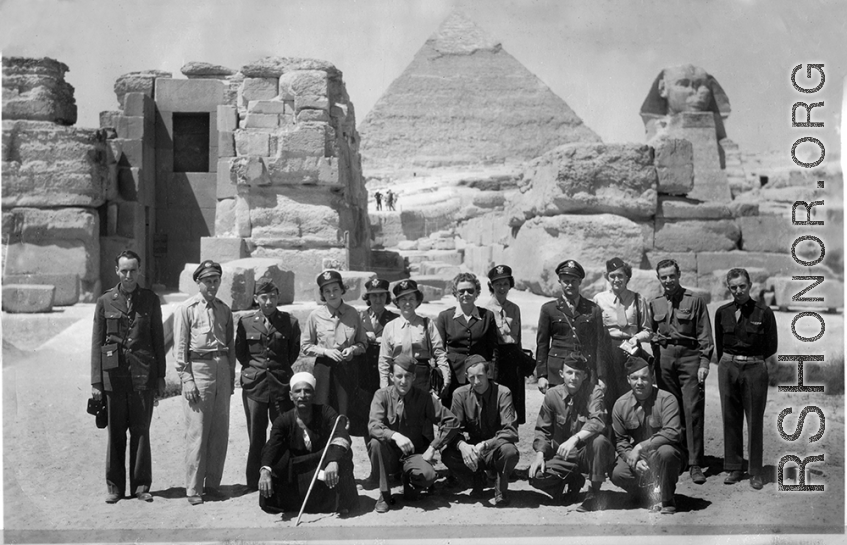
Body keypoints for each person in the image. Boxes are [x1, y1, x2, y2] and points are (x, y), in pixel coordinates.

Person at [91, 250, 166, 503]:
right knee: (115, 433)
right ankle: (115, 488)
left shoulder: (150, 300)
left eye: (133, 270)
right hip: (114, 377)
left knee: (141, 431)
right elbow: (97, 343)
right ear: (117, 271)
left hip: (143, 375)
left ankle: (141, 486)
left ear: (139, 271)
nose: (128, 275)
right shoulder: (105, 301)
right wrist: (96, 382)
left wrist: (160, 376)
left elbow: (158, 340)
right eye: (124, 270)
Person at [174, 260, 236, 505]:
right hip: (199, 369)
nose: (212, 285)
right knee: (197, 431)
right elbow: (180, 349)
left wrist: (230, 377)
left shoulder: (224, 309)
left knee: (220, 431)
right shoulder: (187, 309)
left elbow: (230, 345)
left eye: (216, 280)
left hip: (221, 369)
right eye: (207, 281)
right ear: (198, 282)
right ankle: (193, 488)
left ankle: (212, 485)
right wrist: (187, 379)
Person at [648, 259, 714, 485]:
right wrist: (657, 358)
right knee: (670, 408)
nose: (668, 280)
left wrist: (704, 363)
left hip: (689, 357)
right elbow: (651, 332)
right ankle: (678, 457)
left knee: (692, 408)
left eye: (671, 276)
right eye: (663, 277)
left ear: (678, 275)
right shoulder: (655, 303)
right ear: (659, 279)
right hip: (665, 359)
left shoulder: (695, 300)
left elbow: (704, 334)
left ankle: (695, 463)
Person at [368, 355, 460, 513]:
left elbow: (452, 421)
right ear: (391, 377)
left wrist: (433, 447)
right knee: (376, 443)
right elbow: (373, 426)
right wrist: (395, 436)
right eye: (399, 376)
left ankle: (409, 480)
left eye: (408, 376)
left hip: (412, 455)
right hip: (388, 455)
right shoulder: (381, 396)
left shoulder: (424, 398)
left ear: (414, 377)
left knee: (428, 476)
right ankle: (384, 493)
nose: (403, 381)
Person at [258, 372, 358, 515]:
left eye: (307, 391)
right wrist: (265, 471)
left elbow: (341, 435)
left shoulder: (326, 412)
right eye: (298, 391)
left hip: (322, 465)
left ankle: (338, 502)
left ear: (314, 394)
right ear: (291, 395)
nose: (302, 395)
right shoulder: (283, 420)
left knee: (343, 455)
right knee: (273, 471)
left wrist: (333, 461)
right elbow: (272, 446)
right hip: (298, 470)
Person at [236, 278, 301, 491]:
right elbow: (241, 354)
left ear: (278, 297)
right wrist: (256, 372)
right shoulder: (246, 322)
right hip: (255, 386)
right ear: (256, 298)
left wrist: (278, 371)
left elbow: (292, 353)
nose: (269, 301)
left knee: (282, 432)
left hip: (280, 385)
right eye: (264, 297)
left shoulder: (290, 322)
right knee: (256, 435)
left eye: (273, 297)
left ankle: (282, 478)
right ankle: (254, 481)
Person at [715, 268, 777, 490]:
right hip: (728, 366)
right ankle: (734, 467)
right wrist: (729, 363)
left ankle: (756, 471)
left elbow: (771, 345)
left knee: (754, 420)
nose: (738, 291)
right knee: (730, 417)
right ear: (729, 288)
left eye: (742, 286)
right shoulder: (722, 312)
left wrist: (752, 360)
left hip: (754, 368)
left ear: (750, 286)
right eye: (733, 287)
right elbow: (720, 343)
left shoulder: (764, 312)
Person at [529, 353, 614, 512]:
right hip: (564, 455)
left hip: (587, 453)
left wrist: (574, 439)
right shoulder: (552, 395)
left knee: (600, 441)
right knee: (536, 476)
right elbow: (543, 429)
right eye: (569, 372)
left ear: (585, 376)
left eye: (578, 374)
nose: (573, 378)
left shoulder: (594, 392)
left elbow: (597, 420)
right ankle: (573, 480)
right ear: (561, 374)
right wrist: (540, 455)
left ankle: (594, 492)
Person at [611, 356, 685, 514]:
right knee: (617, 473)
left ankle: (667, 498)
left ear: (652, 378)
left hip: (663, 453)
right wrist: (633, 460)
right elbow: (621, 441)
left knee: (667, 453)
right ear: (628, 380)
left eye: (644, 378)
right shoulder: (620, 405)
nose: (639, 382)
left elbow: (673, 432)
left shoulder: (667, 399)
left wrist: (640, 446)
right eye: (634, 378)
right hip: (642, 458)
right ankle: (647, 494)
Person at [441, 355, 519, 506]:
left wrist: (485, 445)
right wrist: (463, 446)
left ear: (489, 374)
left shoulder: (503, 393)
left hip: (495, 448)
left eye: (480, 376)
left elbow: (510, 431)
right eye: (471, 378)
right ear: (466, 377)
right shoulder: (459, 395)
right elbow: (452, 429)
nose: (476, 382)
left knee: (510, 452)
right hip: (472, 450)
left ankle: (500, 488)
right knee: (448, 455)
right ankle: (477, 478)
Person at [536, 259, 611, 394]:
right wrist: (542, 375)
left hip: (585, 371)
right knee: (558, 405)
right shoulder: (549, 309)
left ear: (580, 281)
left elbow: (599, 345)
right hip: (557, 371)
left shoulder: (593, 309)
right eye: (566, 281)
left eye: (573, 281)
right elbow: (542, 344)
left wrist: (601, 376)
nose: (570, 285)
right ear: (560, 282)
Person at [302, 270, 368, 420]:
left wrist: (352, 349)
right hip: (324, 369)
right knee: (322, 410)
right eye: (327, 291)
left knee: (345, 411)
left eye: (335, 289)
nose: (332, 294)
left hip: (347, 368)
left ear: (342, 290)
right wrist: (325, 351)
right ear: (322, 294)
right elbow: (305, 346)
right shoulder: (315, 316)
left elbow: (363, 343)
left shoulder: (353, 313)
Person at [592, 257, 653, 413]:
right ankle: (612, 426)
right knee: (609, 392)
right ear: (607, 277)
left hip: (631, 349)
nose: (616, 280)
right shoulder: (599, 299)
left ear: (627, 277)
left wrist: (635, 338)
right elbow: (595, 330)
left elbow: (648, 331)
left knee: (631, 391)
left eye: (620, 276)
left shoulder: (638, 299)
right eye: (612, 276)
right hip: (608, 349)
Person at [436, 273, 498, 405]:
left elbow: (493, 350)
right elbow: (439, 350)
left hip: (480, 376)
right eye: (461, 291)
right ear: (455, 293)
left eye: (470, 290)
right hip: (454, 375)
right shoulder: (445, 317)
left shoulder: (487, 316)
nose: (466, 294)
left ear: (477, 293)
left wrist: (490, 375)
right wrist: (443, 377)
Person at [378, 279, 450, 394]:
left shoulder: (427, 323)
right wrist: (384, 386)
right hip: (398, 376)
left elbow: (439, 352)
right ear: (397, 302)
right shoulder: (390, 327)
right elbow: (384, 360)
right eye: (403, 299)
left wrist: (446, 375)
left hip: (422, 377)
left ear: (417, 301)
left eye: (411, 299)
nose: (407, 303)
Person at [483, 264, 528, 425]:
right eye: (498, 284)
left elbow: (518, 338)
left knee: (515, 400)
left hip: (513, 358)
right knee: (496, 400)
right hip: (496, 359)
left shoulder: (515, 309)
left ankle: (512, 433)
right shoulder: (485, 310)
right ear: (492, 286)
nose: (502, 288)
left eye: (505, 284)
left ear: (510, 285)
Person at [360, 278, 399, 398]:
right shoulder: (358, 318)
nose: (378, 300)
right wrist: (364, 337)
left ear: (387, 297)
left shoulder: (395, 319)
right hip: (363, 374)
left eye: (381, 295)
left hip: (385, 375)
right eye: (374, 296)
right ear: (368, 297)